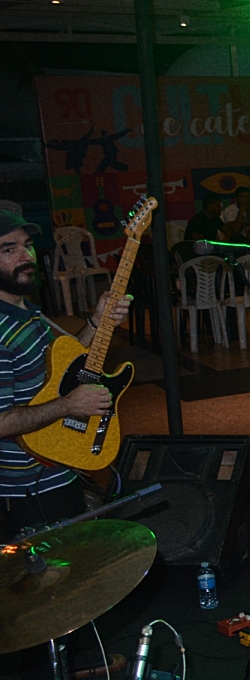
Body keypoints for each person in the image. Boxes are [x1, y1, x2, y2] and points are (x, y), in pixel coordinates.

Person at [0, 211, 128, 543]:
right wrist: (68, 406)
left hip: (61, 466)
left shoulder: (26, 311)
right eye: (9, 249)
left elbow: (63, 370)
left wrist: (98, 322)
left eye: (27, 245)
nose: (26, 256)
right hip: (28, 492)